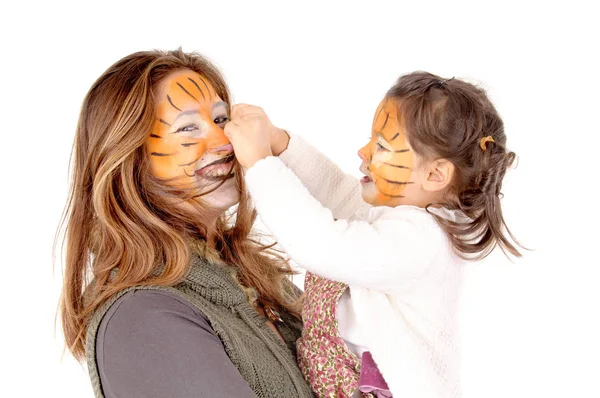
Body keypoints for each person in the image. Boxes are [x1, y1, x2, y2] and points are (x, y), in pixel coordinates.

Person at [225, 72, 523, 398]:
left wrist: (260, 164)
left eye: (381, 145)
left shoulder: (419, 242)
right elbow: (336, 191)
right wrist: (279, 143)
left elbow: (322, 245)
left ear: (435, 174)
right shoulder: (399, 215)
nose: (363, 151)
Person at [58, 49, 315, 398]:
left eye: (222, 120)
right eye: (188, 127)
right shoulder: (142, 319)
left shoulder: (259, 281)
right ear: (131, 160)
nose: (225, 142)